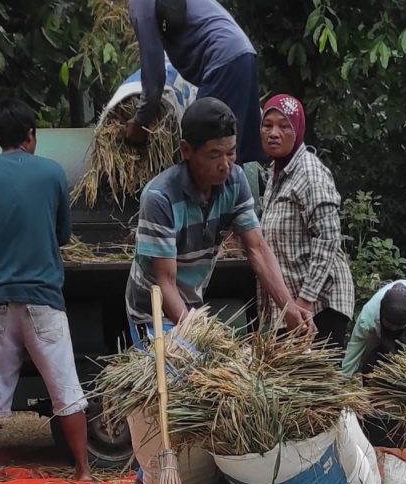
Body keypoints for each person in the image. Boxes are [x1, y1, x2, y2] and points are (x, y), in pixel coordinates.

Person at [0, 99, 92, 483]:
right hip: (43, 298)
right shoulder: (52, 173)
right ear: (32, 137)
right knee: (66, 388)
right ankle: (82, 473)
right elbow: (63, 234)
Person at [125, 96, 314, 335]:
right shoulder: (160, 197)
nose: (225, 164)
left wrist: (290, 310)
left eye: (231, 153)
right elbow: (166, 283)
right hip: (151, 313)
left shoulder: (234, 181)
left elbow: (258, 250)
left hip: (191, 306)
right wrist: (200, 339)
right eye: (215, 154)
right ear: (187, 150)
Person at [83, 0, 262, 164]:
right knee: (239, 153)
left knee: (203, 154)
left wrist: (140, 122)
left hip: (221, 62)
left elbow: (154, 76)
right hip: (242, 51)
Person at [258, 94, 354, 346]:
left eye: (284, 126)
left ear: (298, 129)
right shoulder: (276, 174)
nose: (273, 133)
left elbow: (328, 237)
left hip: (319, 306)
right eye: (267, 125)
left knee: (316, 384)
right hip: (293, 309)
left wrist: (306, 299)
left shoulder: (309, 171)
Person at [343, 281, 406, 376]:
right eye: (390, 325)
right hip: (381, 325)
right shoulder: (368, 318)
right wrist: (344, 378)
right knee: (372, 359)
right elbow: (355, 348)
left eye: (398, 326)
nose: (394, 329)